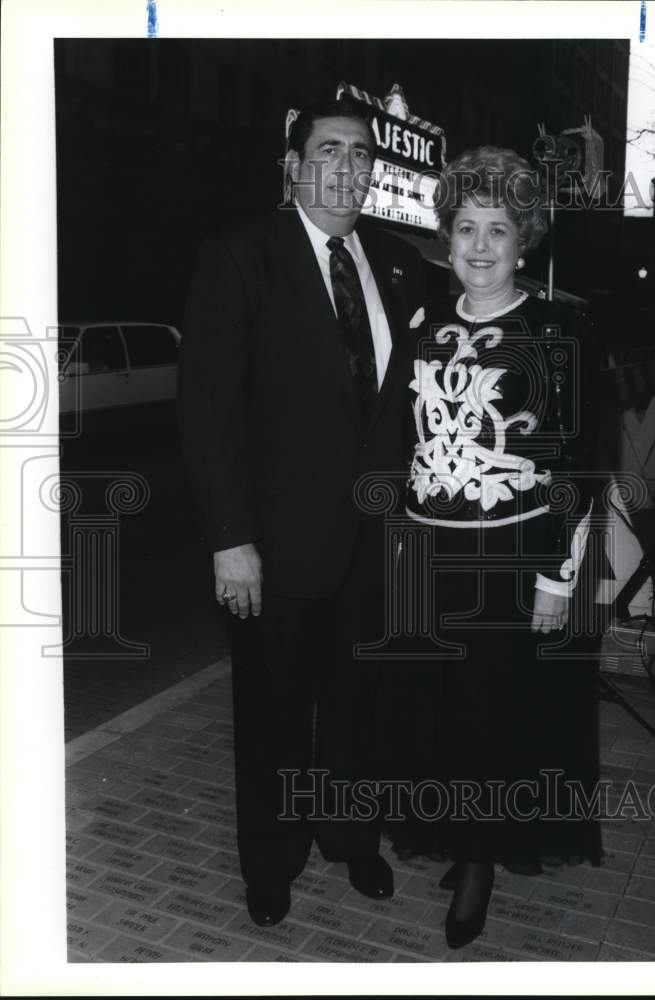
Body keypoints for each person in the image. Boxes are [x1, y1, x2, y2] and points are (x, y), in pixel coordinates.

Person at [177, 96, 427, 927]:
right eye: (330, 150)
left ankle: (353, 840)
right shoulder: (240, 255)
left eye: (362, 155)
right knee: (275, 712)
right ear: (293, 165)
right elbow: (209, 411)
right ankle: (272, 861)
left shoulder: (396, 264)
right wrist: (230, 540)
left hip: (375, 544)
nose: (348, 167)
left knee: (361, 707)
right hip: (275, 547)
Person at [383, 146, 604, 949]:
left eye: (498, 230)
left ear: (525, 242)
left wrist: (557, 576)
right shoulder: (422, 329)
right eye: (466, 228)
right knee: (440, 709)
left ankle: (479, 857)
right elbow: (402, 448)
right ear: (446, 237)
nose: (480, 246)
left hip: (512, 556)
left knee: (494, 714)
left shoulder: (554, 332)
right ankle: (463, 832)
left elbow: (574, 464)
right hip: (433, 555)